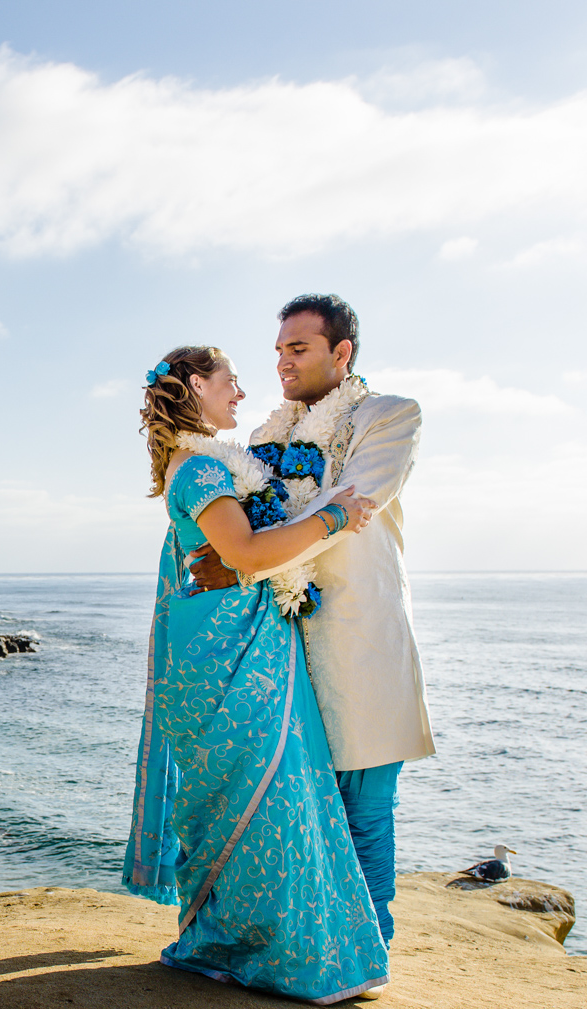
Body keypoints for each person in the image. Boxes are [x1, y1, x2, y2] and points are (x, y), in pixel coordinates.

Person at [122, 344, 388, 1004]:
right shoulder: (199, 472)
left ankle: (238, 943)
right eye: (228, 382)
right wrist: (335, 516)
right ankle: (270, 955)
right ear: (193, 387)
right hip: (231, 665)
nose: (240, 394)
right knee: (269, 797)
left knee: (263, 796)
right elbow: (242, 551)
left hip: (240, 652)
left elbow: (235, 555)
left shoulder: (207, 466)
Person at [187, 295, 434, 944]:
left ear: (341, 352)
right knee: (288, 806)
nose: (282, 363)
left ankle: (365, 950)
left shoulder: (388, 417)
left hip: (359, 639)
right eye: (277, 351)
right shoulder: (265, 438)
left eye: (298, 349)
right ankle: (298, 947)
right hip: (282, 646)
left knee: (365, 811)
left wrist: (244, 560)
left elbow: (352, 504)